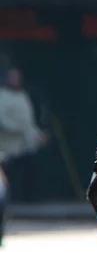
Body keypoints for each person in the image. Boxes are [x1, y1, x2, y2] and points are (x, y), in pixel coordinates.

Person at [0, 65, 47, 245]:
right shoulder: (2, 96)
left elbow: (28, 122)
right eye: (12, 77)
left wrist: (37, 134)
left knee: (28, 172)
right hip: (6, 147)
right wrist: (21, 131)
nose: (15, 80)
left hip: (25, 145)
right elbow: (4, 121)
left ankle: (27, 200)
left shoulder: (23, 96)